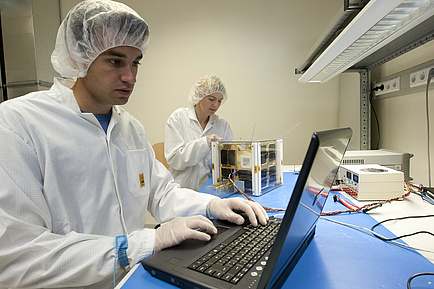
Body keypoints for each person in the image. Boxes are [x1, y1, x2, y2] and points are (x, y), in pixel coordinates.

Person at [0, 1, 268, 288]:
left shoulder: (130, 129)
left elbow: (161, 193)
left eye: (135, 62)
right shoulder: (18, 125)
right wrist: (143, 242)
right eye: (115, 61)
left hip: (133, 278)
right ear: (78, 58)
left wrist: (214, 204)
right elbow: (18, 258)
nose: (130, 76)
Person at [165, 75, 234, 191]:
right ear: (198, 95)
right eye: (211, 99)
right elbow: (175, 159)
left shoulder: (223, 125)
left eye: (219, 101)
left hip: (210, 192)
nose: (216, 105)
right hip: (181, 190)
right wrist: (204, 143)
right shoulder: (178, 118)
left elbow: (229, 163)